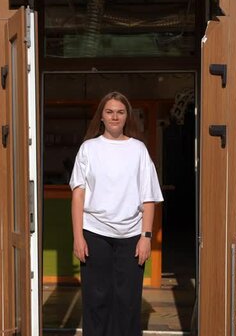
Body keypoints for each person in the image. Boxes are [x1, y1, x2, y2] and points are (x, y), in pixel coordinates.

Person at [69, 91, 164, 336]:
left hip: (132, 237)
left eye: (120, 112)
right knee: (96, 300)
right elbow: (78, 195)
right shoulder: (89, 149)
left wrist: (146, 237)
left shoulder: (139, 150)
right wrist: (78, 236)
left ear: (127, 116)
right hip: (94, 234)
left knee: (128, 301)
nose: (115, 117)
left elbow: (149, 197)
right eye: (110, 111)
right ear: (101, 116)